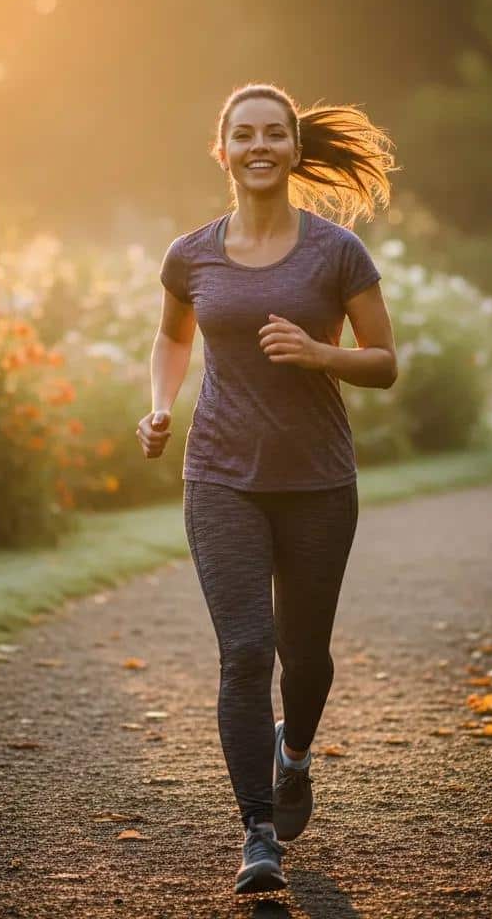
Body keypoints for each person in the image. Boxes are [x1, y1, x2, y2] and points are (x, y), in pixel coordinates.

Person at [135, 82, 398, 895]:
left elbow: (384, 363)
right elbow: (172, 340)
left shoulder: (335, 253)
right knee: (246, 651)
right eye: (243, 134)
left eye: (273, 134)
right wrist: (158, 407)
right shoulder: (192, 254)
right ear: (223, 150)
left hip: (318, 480)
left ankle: (295, 754)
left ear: (292, 149)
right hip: (220, 476)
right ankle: (258, 833)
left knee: (304, 656)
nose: (258, 146)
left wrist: (323, 355)